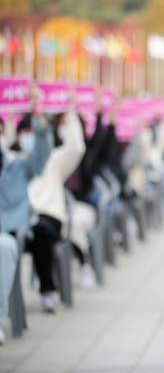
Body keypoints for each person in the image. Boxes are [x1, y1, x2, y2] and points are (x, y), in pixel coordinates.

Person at [0, 87, 53, 341]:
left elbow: (41, 154)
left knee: (7, 246)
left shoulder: (17, 166)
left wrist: (37, 114)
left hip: (14, 231)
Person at [27, 92, 86, 313]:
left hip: (48, 217)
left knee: (40, 232)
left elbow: (76, 148)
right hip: (20, 217)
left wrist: (69, 113)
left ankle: (47, 290)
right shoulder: (16, 161)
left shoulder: (54, 160)